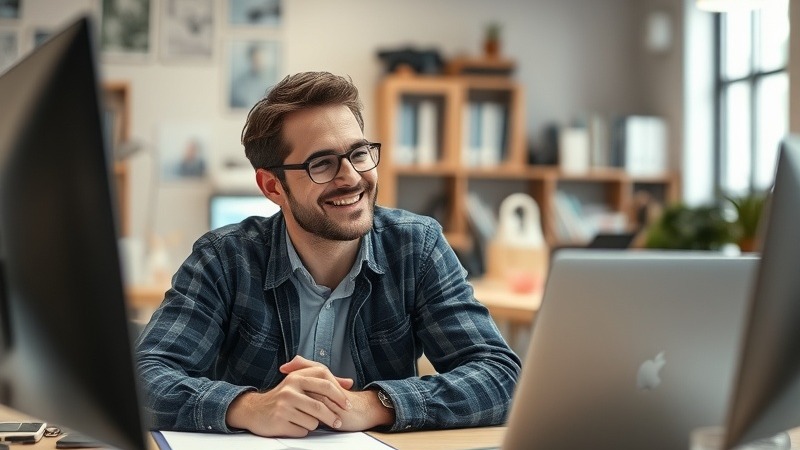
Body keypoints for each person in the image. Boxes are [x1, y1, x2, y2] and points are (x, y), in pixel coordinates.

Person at [135, 71, 521, 438]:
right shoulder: (223, 260)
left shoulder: (416, 248)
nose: (352, 177)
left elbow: (500, 376)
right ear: (273, 187)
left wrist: (372, 405)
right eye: (322, 163)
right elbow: (144, 376)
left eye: (358, 153)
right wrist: (251, 407)